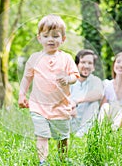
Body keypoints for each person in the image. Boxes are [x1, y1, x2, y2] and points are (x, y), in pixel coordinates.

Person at [18, 14, 80, 165]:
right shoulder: (34, 58)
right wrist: (21, 95)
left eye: (55, 36)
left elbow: (75, 76)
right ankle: (42, 162)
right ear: (39, 38)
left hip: (61, 106)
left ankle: (63, 160)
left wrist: (68, 78)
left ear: (63, 39)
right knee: (42, 135)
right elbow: (27, 78)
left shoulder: (66, 58)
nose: (50, 39)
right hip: (38, 106)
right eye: (46, 36)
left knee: (62, 137)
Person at [69, 49, 104, 137]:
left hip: (85, 121)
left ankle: (82, 134)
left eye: (90, 63)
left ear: (93, 67)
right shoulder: (69, 80)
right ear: (77, 65)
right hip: (69, 119)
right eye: (83, 62)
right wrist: (69, 106)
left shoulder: (96, 80)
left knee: (94, 104)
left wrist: (76, 101)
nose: (86, 66)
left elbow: (98, 94)